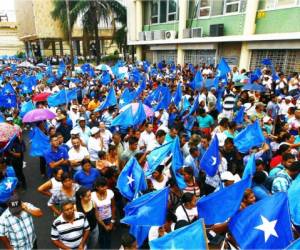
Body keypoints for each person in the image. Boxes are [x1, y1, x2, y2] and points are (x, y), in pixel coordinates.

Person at [91, 177, 116, 249]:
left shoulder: (110, 192)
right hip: (98, 220)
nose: (105, 188)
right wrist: (105, 226)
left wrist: (112, 221)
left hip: (109, 218)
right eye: (102, 186)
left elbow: (113, 207)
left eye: (106, 186)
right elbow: (95, 213)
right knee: (100, 238)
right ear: (97, 187)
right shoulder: (92, 195)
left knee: (108, 238)